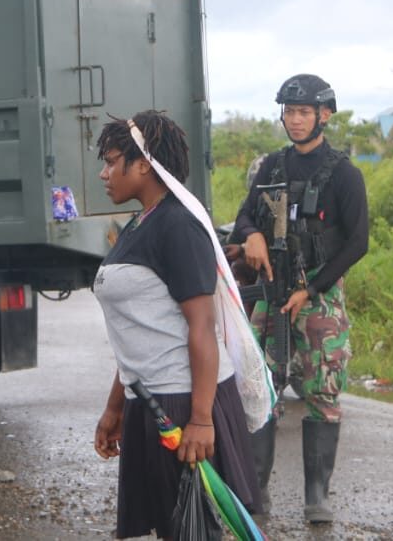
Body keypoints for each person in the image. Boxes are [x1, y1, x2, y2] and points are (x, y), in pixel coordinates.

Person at [92, 111, 261, 540]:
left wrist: (202, 420)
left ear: (144, 164)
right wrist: (115, 406)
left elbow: (202, 327)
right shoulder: (141, 223)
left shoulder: (178, 225)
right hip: (148, 399)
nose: (103, 172)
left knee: (192, 531)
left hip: (184, 403)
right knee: (175, 530)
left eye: (112, 161)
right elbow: (138, 331)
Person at [229, 74, 369, 524]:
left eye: (304, 112)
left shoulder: (343, 173)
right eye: (289, 112)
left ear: (324, 115)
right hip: (272, 291)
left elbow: (357, 242)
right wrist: (250, 236)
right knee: (258, 387)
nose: (295, 120)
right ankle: (257, 492)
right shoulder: (272, 166)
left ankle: (316, 497)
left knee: (322, 391)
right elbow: (245, 216)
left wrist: (310, 290)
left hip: (319, 296)